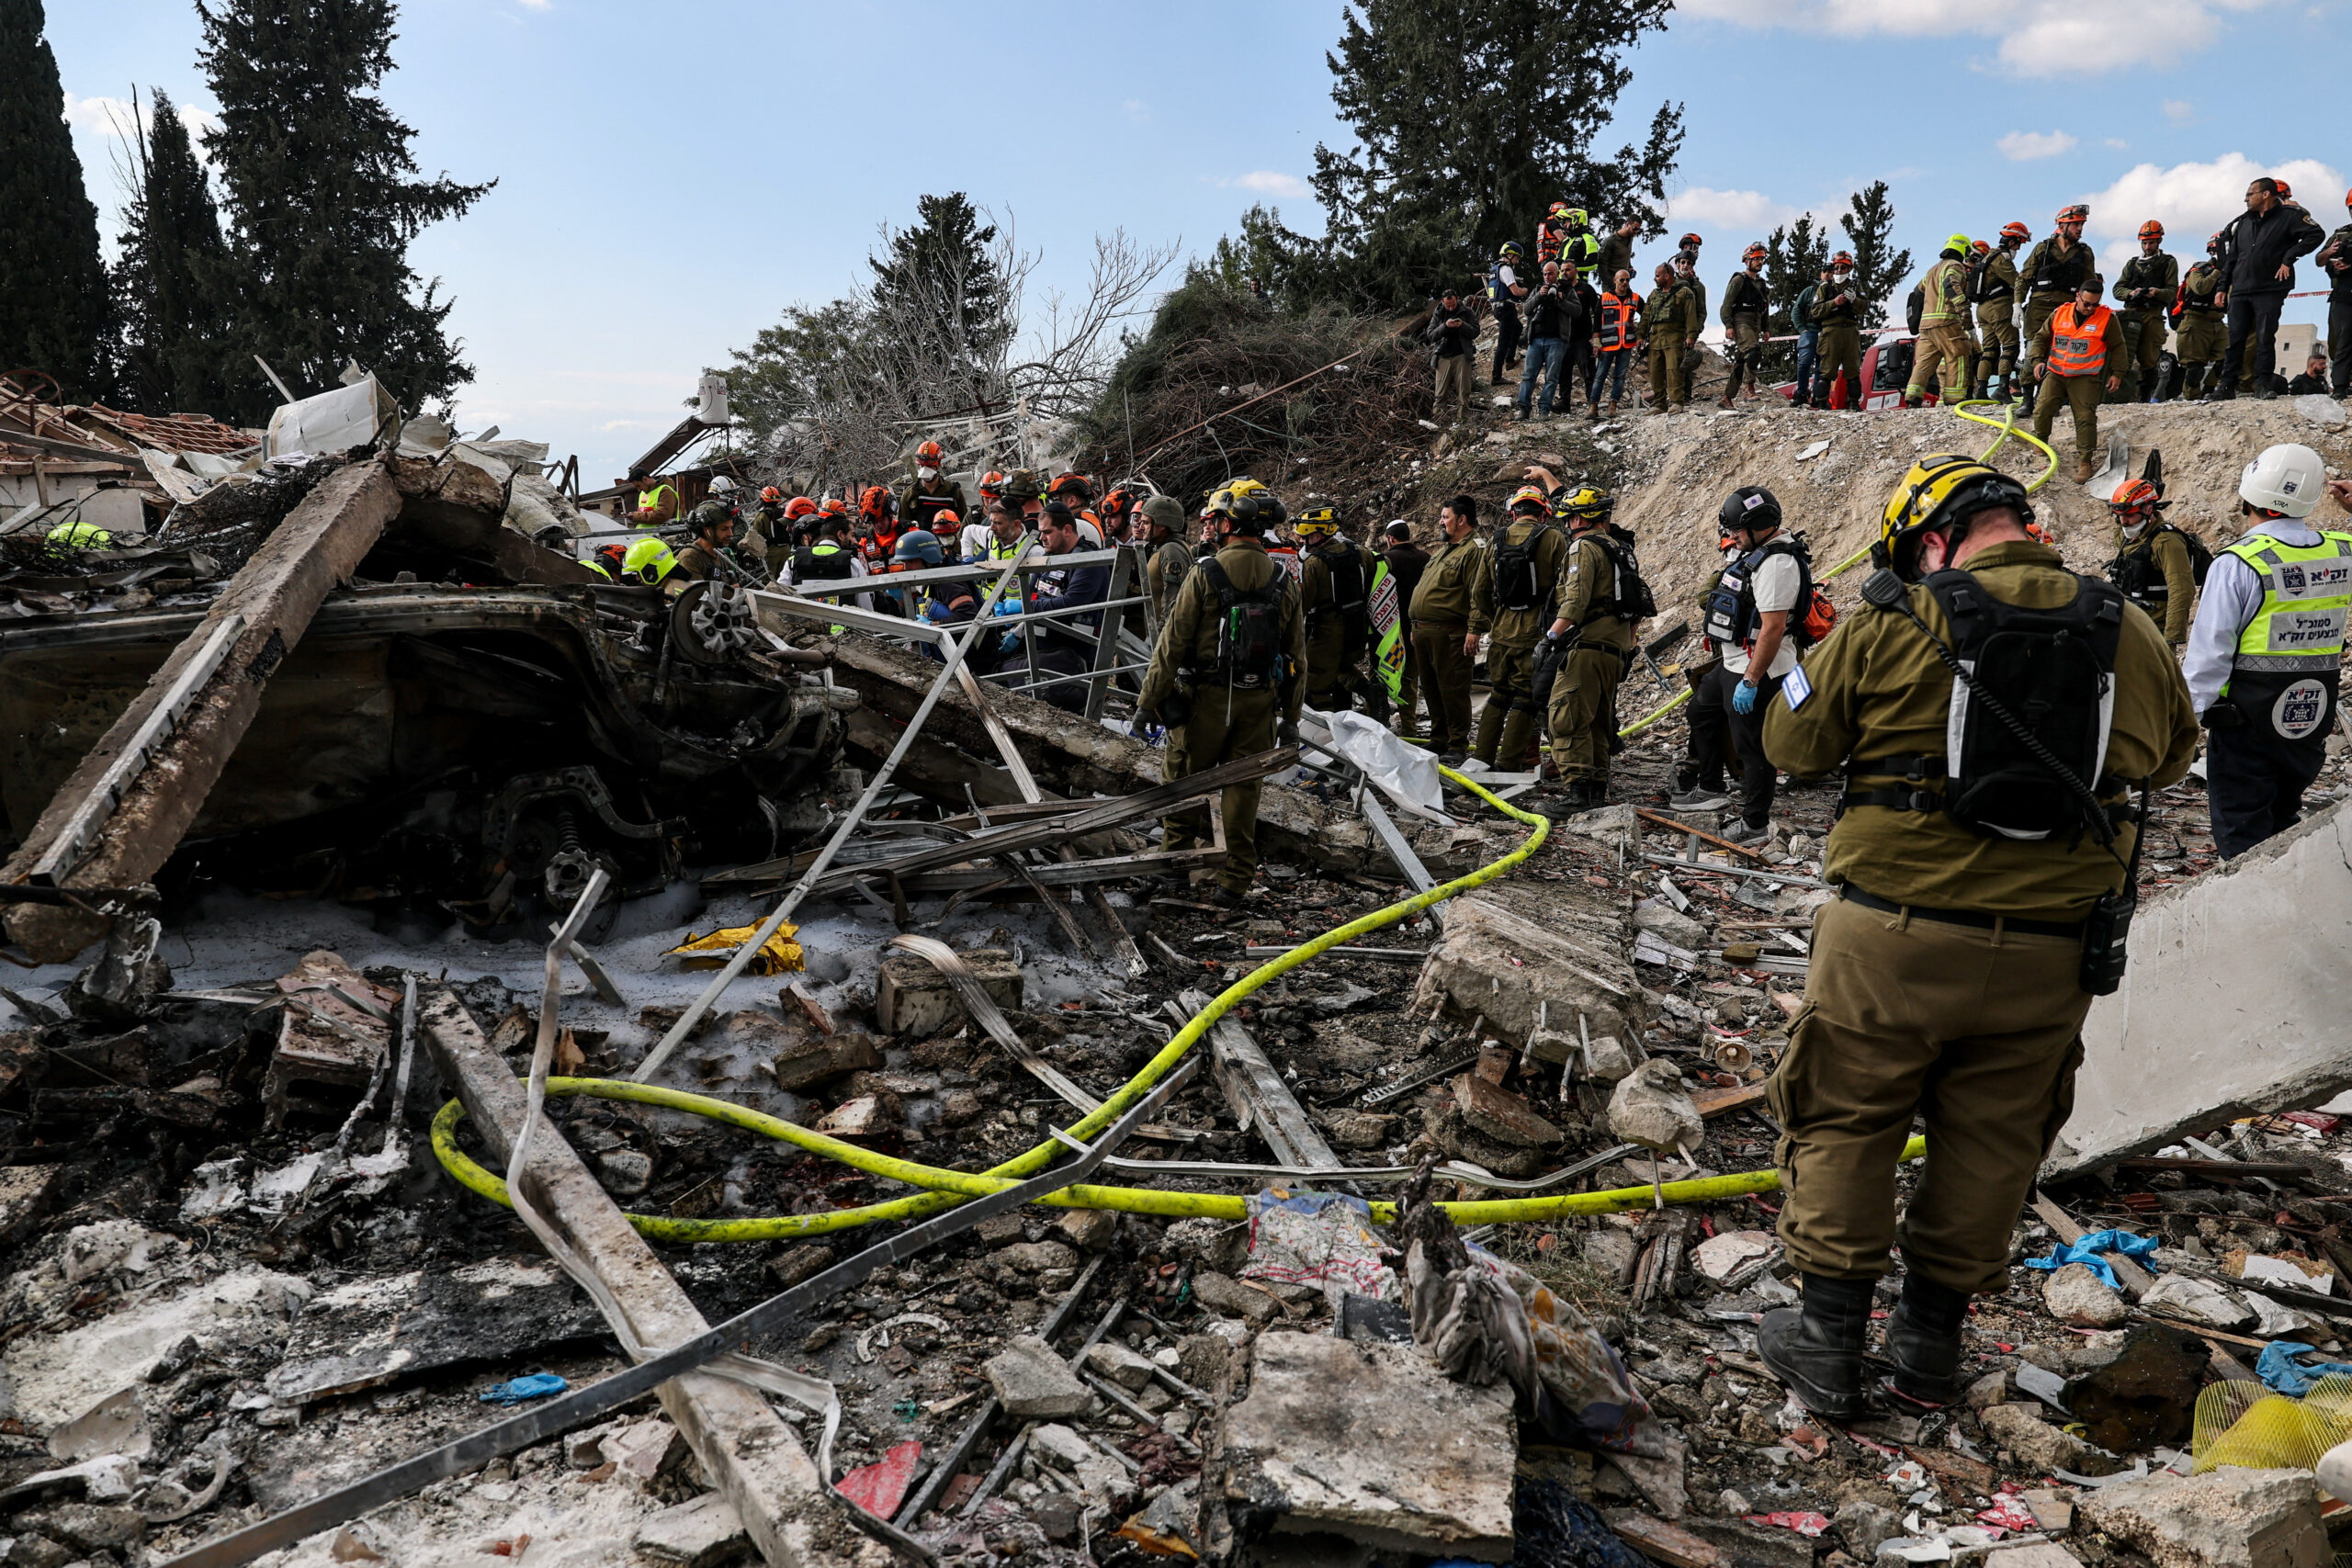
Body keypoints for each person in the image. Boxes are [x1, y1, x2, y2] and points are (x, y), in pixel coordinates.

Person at [1752, 454, 2195, 1420]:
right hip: (2049, 950)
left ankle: (1826, 1344)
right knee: (1994, 1138)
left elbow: (1792, 746)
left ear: (1933, 538)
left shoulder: (1889, 617)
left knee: (1847, 1117)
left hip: (1890, 938)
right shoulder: (2129, 627)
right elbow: (2170, 753)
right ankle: (1927, 1354)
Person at [1138, 485, 1306, 908]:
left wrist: (1147, 702)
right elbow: (1297, 655)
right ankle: (1233, 882)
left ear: (1229, 525)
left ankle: (1174, 869)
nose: (1210, 526)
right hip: (1260, 702)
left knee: (1183, 782)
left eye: (1215, 520)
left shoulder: (1205, 572)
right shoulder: (1284, 578)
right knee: (1243, 790)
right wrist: (1291, 717)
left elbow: (1172, 645)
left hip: (1206, 703)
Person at [2185, 443, 2351, 858]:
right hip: (2310, 718)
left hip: (2246, 726)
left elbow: (2209, 657)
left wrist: (2184, 725)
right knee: (2282, 824)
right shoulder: (2341, 551)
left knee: (2243, 837)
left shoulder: (2239, 563)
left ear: (2247, 496)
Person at [1679, 486, 1806, 840]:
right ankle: (1710, 787)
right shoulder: (1757, 553)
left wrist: (1751, 681)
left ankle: (1755, 823)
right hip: (1733, 662)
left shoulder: (1778, 564)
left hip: (1759, 668)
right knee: (1701, 713)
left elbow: (1773, 628)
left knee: (1752, 748)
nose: (1732, 537)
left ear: (1758, 525)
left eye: (1736, 530)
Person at [1535, 486, 1640, 815]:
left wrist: (1550, 638)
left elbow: (1575, 602)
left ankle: (1578, 793)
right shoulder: (1619, 549)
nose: (1566, 526)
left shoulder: (1583, 547)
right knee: (1597, 720)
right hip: (1613, 649)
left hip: (1587, 647)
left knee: (1567, 716)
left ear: (1579, 518)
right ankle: (1595, 791)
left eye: (1568, 519)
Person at [1470, 484, 1570, 770]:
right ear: (1544, 512)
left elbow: (1479, 591)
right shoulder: (1553, 538)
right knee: (1525, 699)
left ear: (1514, 511)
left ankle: (1480, 758)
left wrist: (1497, 618)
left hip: (1501, 632)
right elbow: (1565, 590)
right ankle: (1509, 762)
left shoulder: (1496, 539)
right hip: (1536, 633)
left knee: (1498, 696)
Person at [2210, 178, 2324, 400]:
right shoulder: (2243, 222)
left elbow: (2316, 234)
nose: (2246, 198)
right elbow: (2232, 258)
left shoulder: (2290, 216)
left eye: (2250, 193)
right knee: (2235, 339)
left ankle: (2262, 384)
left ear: (2265, 195)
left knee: (2264, 337)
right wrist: (2223, 287)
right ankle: (2226, 385)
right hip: (2241, 288)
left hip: (2270, 287)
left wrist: (2289, 258)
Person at [1408, 495, 1489, 761]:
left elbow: (1478, 592)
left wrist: (1475, 629)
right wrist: (1415, 624)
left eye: (1445, 517)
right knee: (1431, 688)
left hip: (1451, 632)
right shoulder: (1445, 549)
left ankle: (1457, 745)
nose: (1441, 522)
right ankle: (1439, 739)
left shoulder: (1474, 550)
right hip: (1425, 631)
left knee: (1452, 689)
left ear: (1462, 520)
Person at [2030, 275, 2124, 483]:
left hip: (2085, 377)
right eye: (2086, 303)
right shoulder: (2059, 313)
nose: (2090, 308)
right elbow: (2041, 338)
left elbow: (2118, 347)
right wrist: (2037, 360)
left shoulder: (2107, 319)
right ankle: (2040, 443)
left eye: (2095, 304)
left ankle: (2085, 462)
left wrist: (2117, 373)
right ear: (2077, 296)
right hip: (2055, 373)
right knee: (2042, 408)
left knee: (2085, 419)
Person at [1296, 506, 1373, 713]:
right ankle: (1370, 692)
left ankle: (1327, 730)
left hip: (1327, 631)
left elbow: (1305, 603)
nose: (1305, 542)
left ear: (1319, 535)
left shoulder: (1314, 563)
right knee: (1342, 669)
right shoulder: (1360, 552)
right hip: (1357, 625)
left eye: (1307, 537)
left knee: (1316, 682)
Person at [2104, 479, 2197, 648]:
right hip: (2130, 623)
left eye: (2129, 515)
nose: (2124, 521)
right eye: (2120, 516)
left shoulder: (2167, 541)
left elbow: (2181, 589)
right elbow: (2122, 539)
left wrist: (2171, 637)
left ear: (2148, 509)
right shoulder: (2135, 535)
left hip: (2154, 631)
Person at [2018, 205, 2095, 380]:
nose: (2080, 229)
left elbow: (2089, 285)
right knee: (2033, 350)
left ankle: (2050, 396)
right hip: (2038, 308)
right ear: (2062, 226)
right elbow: (2024, 278)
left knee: (2062, 353)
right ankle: (2028, 399)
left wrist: (2090, 308)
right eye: (2075, 224)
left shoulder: (2084, 252)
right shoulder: (2043, 249)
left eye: (2081, 224)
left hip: (2067, 309)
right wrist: (2017, 303)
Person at [1905, 235, 1976, 409]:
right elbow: (1950, 284)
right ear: (1964, 250)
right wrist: (1963, 308)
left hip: (1926, 326)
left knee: (1925, 361)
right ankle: (1954, 399)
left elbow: (1918, 292)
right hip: (1947, 321)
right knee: (1958, 353)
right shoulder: (1954, 266)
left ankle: (1913, 396)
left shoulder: (1932, 270)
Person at [2113, 221, 2178, 403]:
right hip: (2131, 314)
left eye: (2151, 242)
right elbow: (2118, 289)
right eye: (2145, 243)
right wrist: (2131, 293)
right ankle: (2121, 395)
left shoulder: (2168, 262)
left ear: (2159, 241)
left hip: (2154, 313)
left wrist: (2156, 292)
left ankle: (2148, 396)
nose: (2148, 246)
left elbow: (2172, 291)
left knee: (2150, 357)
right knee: (2123, 355)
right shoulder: (2132, 263)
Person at [1380, 520, 1430, 737]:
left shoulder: (1386, 560)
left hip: (1390, 633)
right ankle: (1409, 730)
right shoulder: (1427, 558)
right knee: (1410, 682)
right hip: (1418, 629)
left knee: (1382, 678)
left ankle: (1379, 727)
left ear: (1390, 539)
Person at [1969, 222, 2029, 400]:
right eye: (2019, 244)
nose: (2018, 248)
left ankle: (1981, 390)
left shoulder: (1988, 257)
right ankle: (2003, 388)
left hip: (1983, 310)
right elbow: (2016, 281)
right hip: (1999, 307)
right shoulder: (2001, 258)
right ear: (2011, 242)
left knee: (1989, 351)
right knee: (2011, 346)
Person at [2174, 235, 2229, 401]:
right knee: (2195, 368)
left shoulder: (2232, 271)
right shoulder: (2199, 269)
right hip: (2195, 321)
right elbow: (2201, 288)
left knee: (2227, 360)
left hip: (2218, 322)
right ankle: (2192, 398)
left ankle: (2210, 392)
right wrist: (2217, 272)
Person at [1516, 261, 1573, 421]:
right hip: (1536, 339)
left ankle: (1544, 410)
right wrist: (1539, 296)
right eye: (1545, 274)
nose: (1547, 277)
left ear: (1557, 274)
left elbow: (1577, 311)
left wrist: (1561, 300)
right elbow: (1526, 309)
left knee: (1552, 377)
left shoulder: (1567, 290)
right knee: (1528, 376)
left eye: (1551, 274)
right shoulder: (1537, 289)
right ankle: (1524, 409)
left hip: (1557, 340)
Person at [1642, 262, 1700, 413]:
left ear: (1667, 276)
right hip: (1655, 339)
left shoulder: (1685, 293)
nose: (1655, 278)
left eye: (1657, 275)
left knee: (1673, 370)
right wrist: (1640, 336)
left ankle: (1676, 401)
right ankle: (1659, 404)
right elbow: (1646, 317)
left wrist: (1691, 336)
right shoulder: (1654, 295)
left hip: (1674, 337)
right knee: (1655, 372)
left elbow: (1691, 316)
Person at [1810, 253, 1864, 411]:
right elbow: (1815, 311)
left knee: (1853, 369)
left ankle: (1854, 402)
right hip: (1830, 332)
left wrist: (1855, 300)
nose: (1839, 271)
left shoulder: (1855, 286)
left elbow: (1865, 307)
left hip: (1850, 332)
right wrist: (1833, 303)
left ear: (1849, 268)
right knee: (1827, 370)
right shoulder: (1825, 287)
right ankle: (1822, 402)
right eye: (1837, 268)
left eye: (1843, 268)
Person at [1720, 243, 1771, 408]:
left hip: (1755, 322)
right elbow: (1726, 305)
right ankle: (1749, 388)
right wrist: (1728, 325)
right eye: (1756, 259)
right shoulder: (1739, 280)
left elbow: (1765, 308)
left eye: (1761, 259)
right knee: (1753, 352)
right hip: (1741, 321)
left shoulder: (1762, 284)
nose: (1760, 262)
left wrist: (1766, 328)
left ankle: (1727, 398)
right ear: (1747, 260)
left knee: (1741, 363)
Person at [1591, 267, 1641, 417]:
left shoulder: (1635, 298)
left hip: (1626, 344)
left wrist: (1639, 333)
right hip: (1607, 344)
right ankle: (1593, 406)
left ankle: (1613, 405)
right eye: (1622, 280)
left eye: (1627, 280)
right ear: (1615, 281)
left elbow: (1646, 315)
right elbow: (1597, 321)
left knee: (1619, 376)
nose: (1625, 283)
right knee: (1600, 375)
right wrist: (1596, 342)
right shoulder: (1605, 298)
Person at [1140, 494, 1193, 628]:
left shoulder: (1171, 551)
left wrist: (1162, 634)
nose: (1141, 527)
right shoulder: (1164, 549)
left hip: (1164, 637)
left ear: (1162, 525)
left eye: (1146, 523)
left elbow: (1173, 599)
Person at [1425, 288, 1477, 421]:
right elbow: (1431, 335)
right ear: (1442, 302)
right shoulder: (1438, 313)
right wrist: (1445, 326)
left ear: (1457, 299)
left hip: (1462, 355)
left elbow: (1476, 331)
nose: (1450, 308)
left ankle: (1463, 420)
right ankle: (1439, 421)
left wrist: (1462, 325)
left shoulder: (1467, 311)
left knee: (1464, 391)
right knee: (1440, 393)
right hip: (1443, 356)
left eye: (1453, 305)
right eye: (1447, 306)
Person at [898, 440, 966, 533]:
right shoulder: (910, 494)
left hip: (948, 543)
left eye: (929, 466)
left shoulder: (953, 492)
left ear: (939, 464)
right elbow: (901, 524)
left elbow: (965, 525)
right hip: (919, 544)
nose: (925, 469)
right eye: (922, 465)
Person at [2323, 194, 2352, 397]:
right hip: (2343, 292)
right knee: (2341, 342)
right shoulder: (2341, 234)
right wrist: (2332, 258)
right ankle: (2340, 387)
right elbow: (2319, 259)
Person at [1487, 242, 1528, 382]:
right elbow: (1515, 291)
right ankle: (1496, 376)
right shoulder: (1506, 269)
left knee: (1517, 327)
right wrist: (1525, 291)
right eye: (1517, 257)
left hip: (1498, 307)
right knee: (1503, 342)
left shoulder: (1495, 269)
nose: (1517, 261)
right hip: (1506, 308)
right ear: (1510, 255)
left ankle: (1510, 359)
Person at [1792, 264, 1826, 408]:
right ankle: (1801, 393)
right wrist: (1802, 329)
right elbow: (1796, 311)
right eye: (1825, 271)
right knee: (1804, 363)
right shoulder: (1809, 291)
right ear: (1820, 273)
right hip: (1810, 333)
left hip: (1827, 333)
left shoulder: (1836, 291)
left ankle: (1819, 397)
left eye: (1831, 272)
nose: (1828, 274)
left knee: (1822, 368)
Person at [1596, 217, 1640, 297]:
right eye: (1634, 228)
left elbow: (1625, 255)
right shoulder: (1610, 242)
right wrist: (1612, 284)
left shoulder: (1630, 238)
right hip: (1611, 285)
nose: (1636, 232)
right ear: (1627, 225)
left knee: (1630, 306)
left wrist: (1630, 267)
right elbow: (1601, 265)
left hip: (1624, 283)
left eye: (1638, 230)